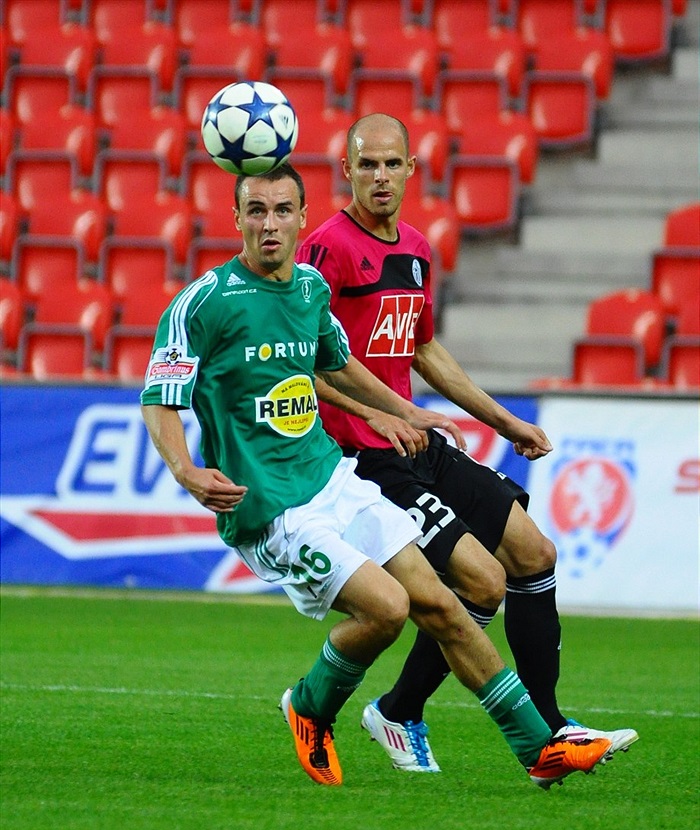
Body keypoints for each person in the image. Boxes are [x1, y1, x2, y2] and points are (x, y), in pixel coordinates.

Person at [140, 163, 614, 790]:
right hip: (273, 509)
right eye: (256, 210)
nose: (270, 223)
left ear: (301, 217)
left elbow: (339, 365)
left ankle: (538, 749)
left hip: (333, 480)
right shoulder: (205, 302)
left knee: (446, 603)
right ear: (236, 220)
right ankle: (310, 706)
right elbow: (160, 395)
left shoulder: (309, 290)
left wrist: (405, 409)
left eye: (283, 210)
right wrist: (185, 470)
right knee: (389, 610)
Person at [296, 114, 638, 774]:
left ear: (411, 170)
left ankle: (544, 721)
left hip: (414, 440)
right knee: (481, 580)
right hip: (360, 456)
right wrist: (382, 414)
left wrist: (502, 420)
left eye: (392, 164)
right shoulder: (326, 251)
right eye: (367, 165)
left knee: (533, 552)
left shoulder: (418, 250)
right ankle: (429, 716)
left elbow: (423, 350)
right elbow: (305, 358)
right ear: (346, 171)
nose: (380, 177)